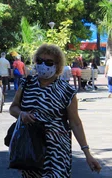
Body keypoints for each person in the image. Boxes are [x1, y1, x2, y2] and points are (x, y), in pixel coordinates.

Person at [9, 44, 101, 177]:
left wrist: (87, 154)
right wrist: (21, 114)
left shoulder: (66, 91)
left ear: (57, 65)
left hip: (57, 151)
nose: (43, 65)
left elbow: (75, 123)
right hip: (31, 149)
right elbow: (13, 108)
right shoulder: (27, 84)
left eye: (49, 62)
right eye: (39, 61)